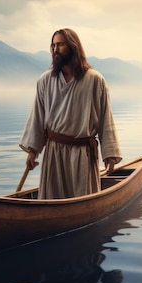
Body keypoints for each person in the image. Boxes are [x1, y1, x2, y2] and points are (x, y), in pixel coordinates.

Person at [19, 28, 122, 199]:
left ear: (73, 47)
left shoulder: (95, 80)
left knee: (83, 200)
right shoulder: (45, 81)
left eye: (60, 44)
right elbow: (37, 117)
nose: (55, 49)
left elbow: (106, 119)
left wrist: (109, 154)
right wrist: (33, 151)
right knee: (53, 198)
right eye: (53, 45)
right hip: (54, 153)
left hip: (82, 154)